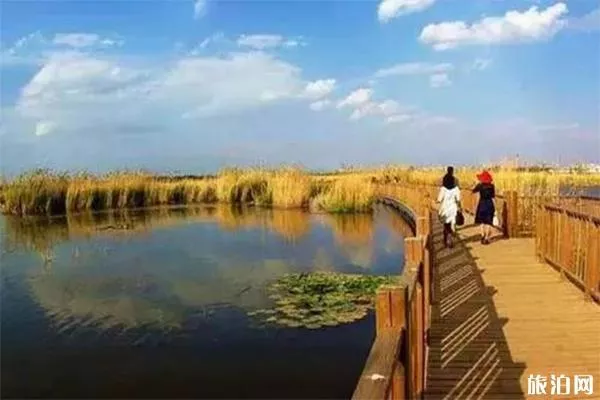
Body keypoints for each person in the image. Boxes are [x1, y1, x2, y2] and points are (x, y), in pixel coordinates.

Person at [437, 166, 461, 248]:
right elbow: (458, 199)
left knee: (446, 224)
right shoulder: (456, 189)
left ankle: (445, 240)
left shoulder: (443, 189)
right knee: (451, 223)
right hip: (453, 208)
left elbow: (439, 199)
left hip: (445, 208)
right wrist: (459, 208)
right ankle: (449, 239)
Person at [472, 170, 495, 245]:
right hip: (489, 204)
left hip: (482, 204)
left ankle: (482, 235)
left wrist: (476, 184)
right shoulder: (492, 186)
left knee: (482, 221)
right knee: (488, 222)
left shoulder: (480, 185)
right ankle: (486, 238)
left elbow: (473, 191)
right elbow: (493, 196)